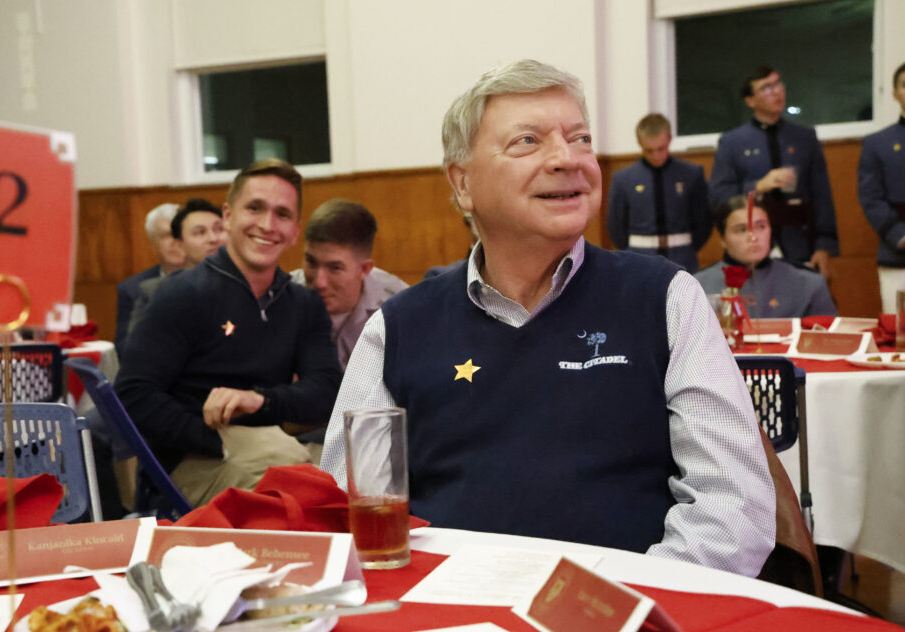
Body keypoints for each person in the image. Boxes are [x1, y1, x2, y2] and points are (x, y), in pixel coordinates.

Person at [319, 59, 775, 576]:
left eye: (580, 138)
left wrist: (620, 607)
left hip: (629, 623)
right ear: (462, 183)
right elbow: (346, 510)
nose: (568, 158)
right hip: (448, 621)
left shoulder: (667, 299)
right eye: (528, 142)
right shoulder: (398, 328)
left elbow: (733, 510)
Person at [115, 159, 341, 505]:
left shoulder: (302, 303)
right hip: (191, 462)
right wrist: (214, 441)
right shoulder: (182, 294)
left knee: (354, 472)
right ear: (229, 217)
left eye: (282, 214)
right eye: (255, 208)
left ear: (295, 230)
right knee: (292, 477)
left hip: (268, 447)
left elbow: (327, 392)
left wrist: (259, 401)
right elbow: (133, 394)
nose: (267, 224)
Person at [709, 66, 838, 278]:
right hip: (752, 244)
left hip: (800, 240)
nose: (777, 91)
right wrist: (757, 187)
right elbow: (718, 197)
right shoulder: (732, 142)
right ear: (750, 101)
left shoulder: (805, 137)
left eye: (778, 84)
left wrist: (823, 246)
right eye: (766, 88)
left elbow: (822, 196)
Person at [289, 199, 408, 370]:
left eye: (335, 268)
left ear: (365, 269)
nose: (319, 282)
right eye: (311, 262)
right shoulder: (279, 297)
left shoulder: (400, 307)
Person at [695, 195, 837, 318]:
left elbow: (829, 342)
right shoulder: (697, 287)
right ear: (722, 239)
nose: (753, 237)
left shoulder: (809, 284)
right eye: (741, 230)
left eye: (761, 227)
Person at [606, 113, 711, 272]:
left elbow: (703, 222)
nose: (656, 156)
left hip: (682, 257)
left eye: (661, 149)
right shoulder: (623, 180)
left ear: (669, 139)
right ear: (640, 144)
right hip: (639, 258)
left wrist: (688, 248)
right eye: (649, 150)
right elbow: (616, 228)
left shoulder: (691, 175)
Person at [124, 198, 227, 341]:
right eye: (200, 232)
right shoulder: (156, 292)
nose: (213, 238)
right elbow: (137, 353)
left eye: (219, 229)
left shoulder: (251, 284)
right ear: (180, 245)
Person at [857, 61, 905, 314]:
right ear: (895, 94)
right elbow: (870, 197)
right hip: (897, 255)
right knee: (899, 336)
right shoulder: (878, 143)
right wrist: (899, 235)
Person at [115, 203, 184, 354]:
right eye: (166, 235)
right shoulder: (132, 289)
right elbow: (124, 348)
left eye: (178, 234)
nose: (174, 241)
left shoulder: (213, 280)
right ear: (153, 244)